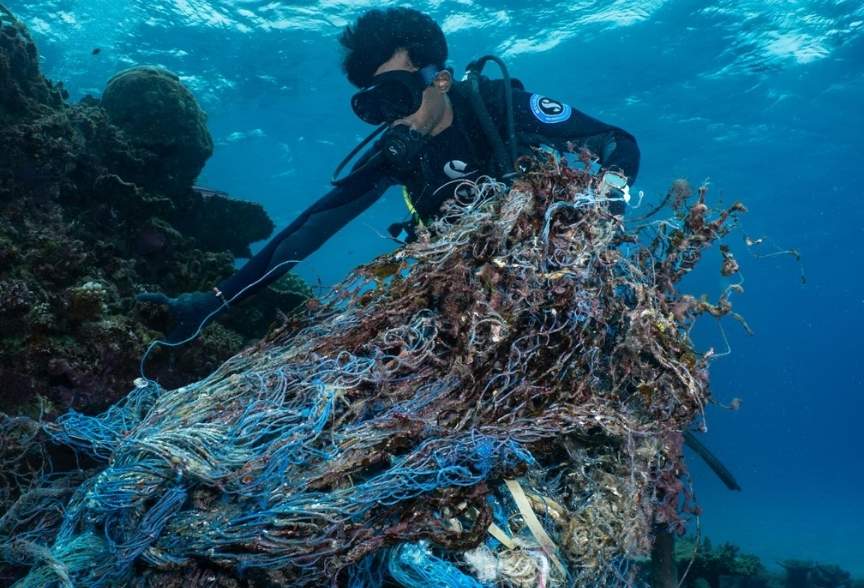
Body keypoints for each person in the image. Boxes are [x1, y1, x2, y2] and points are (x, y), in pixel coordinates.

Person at [139, 7, 640, 341]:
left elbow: (617, 141)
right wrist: (210, 303)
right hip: (467, 299)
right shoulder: (395, 155)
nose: (393, 119)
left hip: (560, 276)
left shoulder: (498, 106)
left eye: (398, 95)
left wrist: (608, 202)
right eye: (376, 106)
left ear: (439, 79)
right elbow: (308, 230)